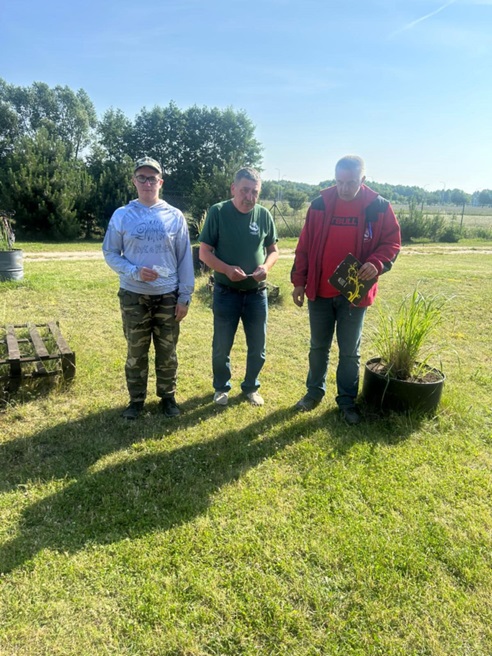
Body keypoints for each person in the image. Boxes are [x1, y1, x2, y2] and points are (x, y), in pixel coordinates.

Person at [291, 155, 401, 425]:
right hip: (319, 291)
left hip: (354, 294)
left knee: (350, 351)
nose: (344, 188)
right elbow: (304, 246)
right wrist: (299, 281)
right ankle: (313, 393)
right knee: (318, 347)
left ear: (363, 179)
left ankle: (347, 401)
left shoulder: (378, 207)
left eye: (350, 182)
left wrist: (376, 263)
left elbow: (392, 243)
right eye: (339, 182)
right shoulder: (319, 204)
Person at [103, 156, 194, 419]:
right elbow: (110, 252)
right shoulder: (122, 215)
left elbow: (185, 258)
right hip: (134, 295)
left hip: (168, 296)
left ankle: (168, 397)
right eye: (141, 178)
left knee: (167, 350)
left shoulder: (174, 216)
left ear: (160, 182)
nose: (147, 183)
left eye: (152, 178)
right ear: (134, 181)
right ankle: (136, 401)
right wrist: (133, 271)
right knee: (136, 350)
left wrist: (184, 296)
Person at [199, 167, 279, 407]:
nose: (249, 197)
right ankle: (221, 387)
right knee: (222, 345)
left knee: (258, 345)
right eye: (244, 190)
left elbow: (273, 250)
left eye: (255, 192)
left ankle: (251, 387)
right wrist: (226, 270)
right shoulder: (218, 212)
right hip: (226, 292)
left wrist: (266, 267)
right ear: (233, 188)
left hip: (257, 294)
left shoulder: (264, 215)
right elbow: (204, 253)